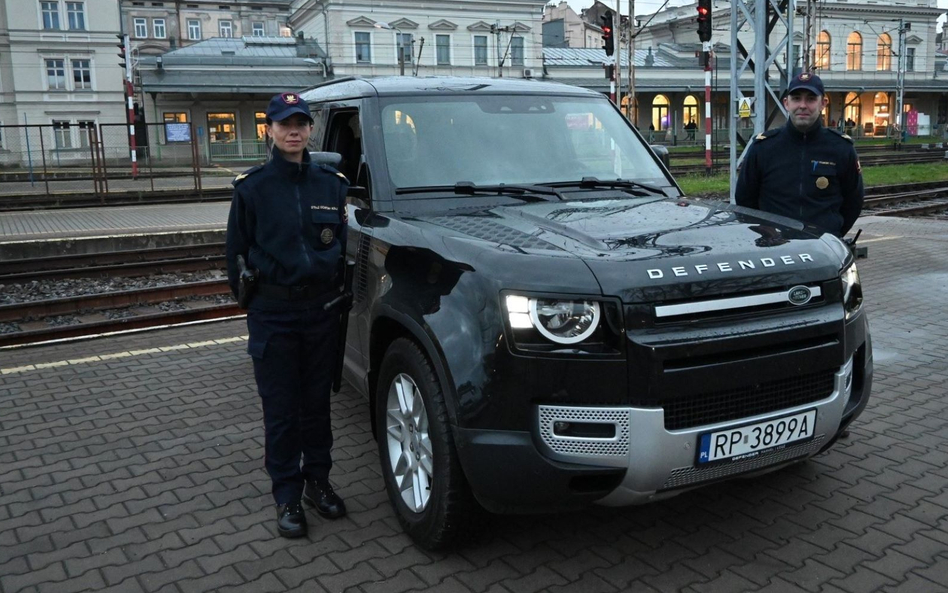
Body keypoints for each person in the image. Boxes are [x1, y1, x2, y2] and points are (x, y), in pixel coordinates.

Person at [226, 92, 349, 539]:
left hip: (320, 312)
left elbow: (339, 244)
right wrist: (256, 305)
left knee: (316, 407)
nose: (293, 130)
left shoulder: (331, 185)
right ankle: (287, 495)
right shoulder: (252, 188)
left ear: (310, 129)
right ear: (270, 130)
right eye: (284, 123)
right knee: (281, 411)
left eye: (300, 122)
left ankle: (318, 481)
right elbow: (235, 255)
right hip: (274, 315)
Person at [735, 72, 864, 238]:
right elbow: (745, 199)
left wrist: (831, 233)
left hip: (823, 248)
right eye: (796, 98)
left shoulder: (841, 148)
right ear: (786, 103)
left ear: (823, 103)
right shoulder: (764, 147)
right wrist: (764, 230)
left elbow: (853, 201)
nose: (802, 105)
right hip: (774, 247)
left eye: (810, 99)